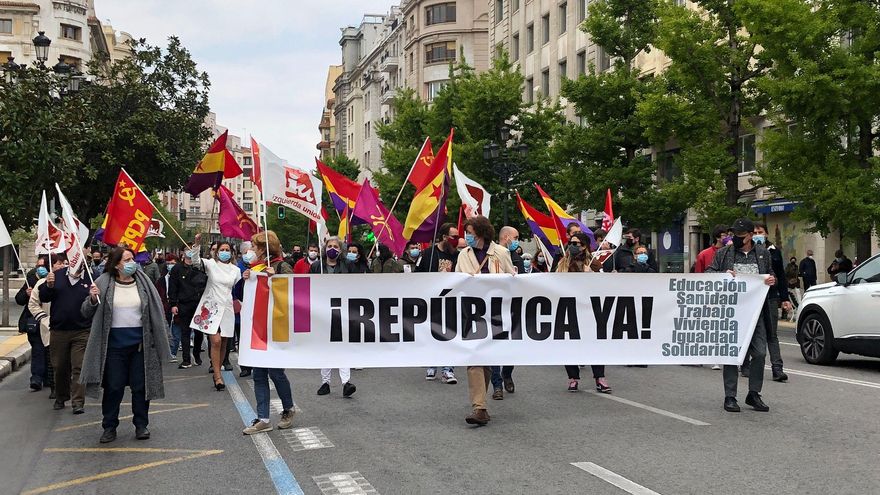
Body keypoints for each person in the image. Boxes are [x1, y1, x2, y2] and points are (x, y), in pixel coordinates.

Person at [80, 246, 169, 443]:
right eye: (127, 260)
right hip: (113, 347)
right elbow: (85, 312)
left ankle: (141, 425)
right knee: (114, 387)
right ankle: (109, 426)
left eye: (132, 259)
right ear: (116, 264)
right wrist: (93, 298)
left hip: (140, 345)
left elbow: (155, 309)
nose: (132, 263)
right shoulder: (102, 283)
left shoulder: (143, 282)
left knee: (140, 387)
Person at [706, 218, 777, 413]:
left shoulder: (762, 254)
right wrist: (722, 275)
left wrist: (771, 279)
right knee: (731, 354)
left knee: (760, 353)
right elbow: (708, 274)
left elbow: (771, 274)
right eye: (734, 236)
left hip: (756, 312)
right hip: (731, 313)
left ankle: (754, 393)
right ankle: (730, 396)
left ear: (751, 235)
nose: (737, 239)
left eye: (741, 236)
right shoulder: (723, 254)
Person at [456, 216, 516, 426]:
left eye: (470, 233)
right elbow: (457, 281)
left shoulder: (500, 252)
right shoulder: (463, 255)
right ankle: (479, 407)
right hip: (472, 314)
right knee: (474, 359)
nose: (467, 237)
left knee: (487, 359)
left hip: (496, 313)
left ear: (481, 233)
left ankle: (481, 404)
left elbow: (511, 279)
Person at [241, 231, 296, 434]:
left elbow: (296, 290)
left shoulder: (281, 266)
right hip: (258, 327)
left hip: (277, 327)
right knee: (258, 374)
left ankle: (288, 409)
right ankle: (263, 418)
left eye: (254, 247)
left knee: (275, 372)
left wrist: (277, 279)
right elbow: (241, 297)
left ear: (263, 248)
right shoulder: (254, 269)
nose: (251, 251)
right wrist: (245, 279)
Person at [557, 233, 613, 394]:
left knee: (595, 344)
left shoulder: (594, 263)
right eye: (571, 243)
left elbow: (606, 286)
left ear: (585, 246)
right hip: (569, 309)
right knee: (569, 344)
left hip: (591, 310)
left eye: (577, 243)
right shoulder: (562, 263)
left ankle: (599, 378)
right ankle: (573, 378)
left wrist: (592, 275)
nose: (574, 246)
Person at [39, 255, 93, 414]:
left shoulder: (91, 278)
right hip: (59, 330)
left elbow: (96, 303)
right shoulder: (56, 276)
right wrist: (48, 286)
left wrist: (94, 297)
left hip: (82, 330)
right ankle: (61, 396)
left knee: (79, 366)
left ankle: (78, 402)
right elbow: (43, 297)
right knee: (60, 366)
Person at [188, 235, 241, 391]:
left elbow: (239, 288)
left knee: (224, 342)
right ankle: (217, 376)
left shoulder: (236, 270)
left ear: (231, 253)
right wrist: (196, 245)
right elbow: (196, 261)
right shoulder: (210, 264)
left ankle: (219, 368)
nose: (224, 252)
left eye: (227, 250)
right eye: (221, 250)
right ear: (216, 252)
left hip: (227, 308)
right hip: (211, 308)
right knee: (216, 341)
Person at [312, 237, 356, 397]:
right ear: (324, 249)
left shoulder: (349, 266)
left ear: (340, 249)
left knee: (343, 346)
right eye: (329, 246)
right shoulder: (317, 266)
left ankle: (346, 382)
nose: (332, 249)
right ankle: (325, 382)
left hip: (343, 310)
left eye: (335, 246)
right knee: (325, 346)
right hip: (322, 311)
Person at [415, 223, 459, 384]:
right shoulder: (428, 253)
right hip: (431, 301)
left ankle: (448, 369)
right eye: (453, 237)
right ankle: (432, 365)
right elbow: (417, 274)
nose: (457, 240)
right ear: (444, 237)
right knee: (431, 333)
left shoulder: (457, 255)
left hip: (451, 302)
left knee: (450, 335)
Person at [490, 226, 523, 399]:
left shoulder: (515, 256)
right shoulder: (495, 253)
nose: (517, 240)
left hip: (513, 306)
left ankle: (507, 372)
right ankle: (497, 384)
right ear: (507, 236)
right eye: (516, 237)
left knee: (512, 344)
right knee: (495, 345)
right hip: (495, 306)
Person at [168, 245, 207, 369]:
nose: (189, 252)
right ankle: (186, 359)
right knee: (185, 332)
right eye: (187, 250)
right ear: (182, 253)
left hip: (199, 304)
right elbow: (173, 287)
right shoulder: (176, 269)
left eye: (193, 249)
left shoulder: (199, 267)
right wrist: (173, 304)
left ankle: (196, 354)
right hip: (183, 304)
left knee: (199, 331)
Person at [16, 255, 49, 391]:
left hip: (49, 322)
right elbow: (19, 299)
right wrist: (26, 293)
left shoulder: (53, 281)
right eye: (38, 266)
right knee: (37, 350)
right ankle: (36, 378)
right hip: (34, 323)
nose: (40, 268)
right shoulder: (31, 280)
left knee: (49, 351)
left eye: (43, 266)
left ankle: (49, 377)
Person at [154, 254, 180, 363]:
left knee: (176, 332)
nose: (170, 266)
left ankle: (173, 352)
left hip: (177, 308)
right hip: (164, 308)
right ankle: (166, 351)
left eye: (173, 263)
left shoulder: (180, 278)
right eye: (168, 264)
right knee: (165, 330)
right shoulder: (161, 280)